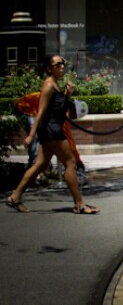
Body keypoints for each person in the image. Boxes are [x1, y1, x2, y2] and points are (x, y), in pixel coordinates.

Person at [5, 55, 100, 214]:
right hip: (52, 129)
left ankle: (15, 197)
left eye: (63, 63)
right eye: (58, 65)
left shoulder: (56, 85)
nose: (62, 67)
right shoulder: (48, 85)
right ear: (49, 69)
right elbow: (40, 112)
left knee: (40, 165)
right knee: (70, 163)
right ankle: (79, 204)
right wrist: (31, 135)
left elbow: (60, 110)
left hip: (51, 128)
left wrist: (68, 94)